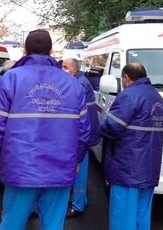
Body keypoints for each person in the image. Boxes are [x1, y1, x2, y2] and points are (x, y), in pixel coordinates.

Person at [0, 29, 91, 230]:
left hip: (21, 167)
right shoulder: (73, 84)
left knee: (12, 224)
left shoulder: (10, 79)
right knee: (53, 225)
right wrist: (77, 158)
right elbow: (84, 130)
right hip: (60, 166)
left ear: (25, 50)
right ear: (50, 51)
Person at [98, 63, 163, 230]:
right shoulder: (157, 98)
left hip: (127, 168)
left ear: (126, 78)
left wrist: (98, 128)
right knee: (141, 216)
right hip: (149, 168)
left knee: (123, 217)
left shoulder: (129, 96)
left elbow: (112, 127)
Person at [61, 58, 100, 218]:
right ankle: (81, 200)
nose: (62, 69)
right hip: (84, 134)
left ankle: (77, 205)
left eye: (65, 67)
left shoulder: (79, 85)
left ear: (75, 70)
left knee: (79, 172)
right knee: (81, 170)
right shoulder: (80, 81)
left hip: (81, 136)